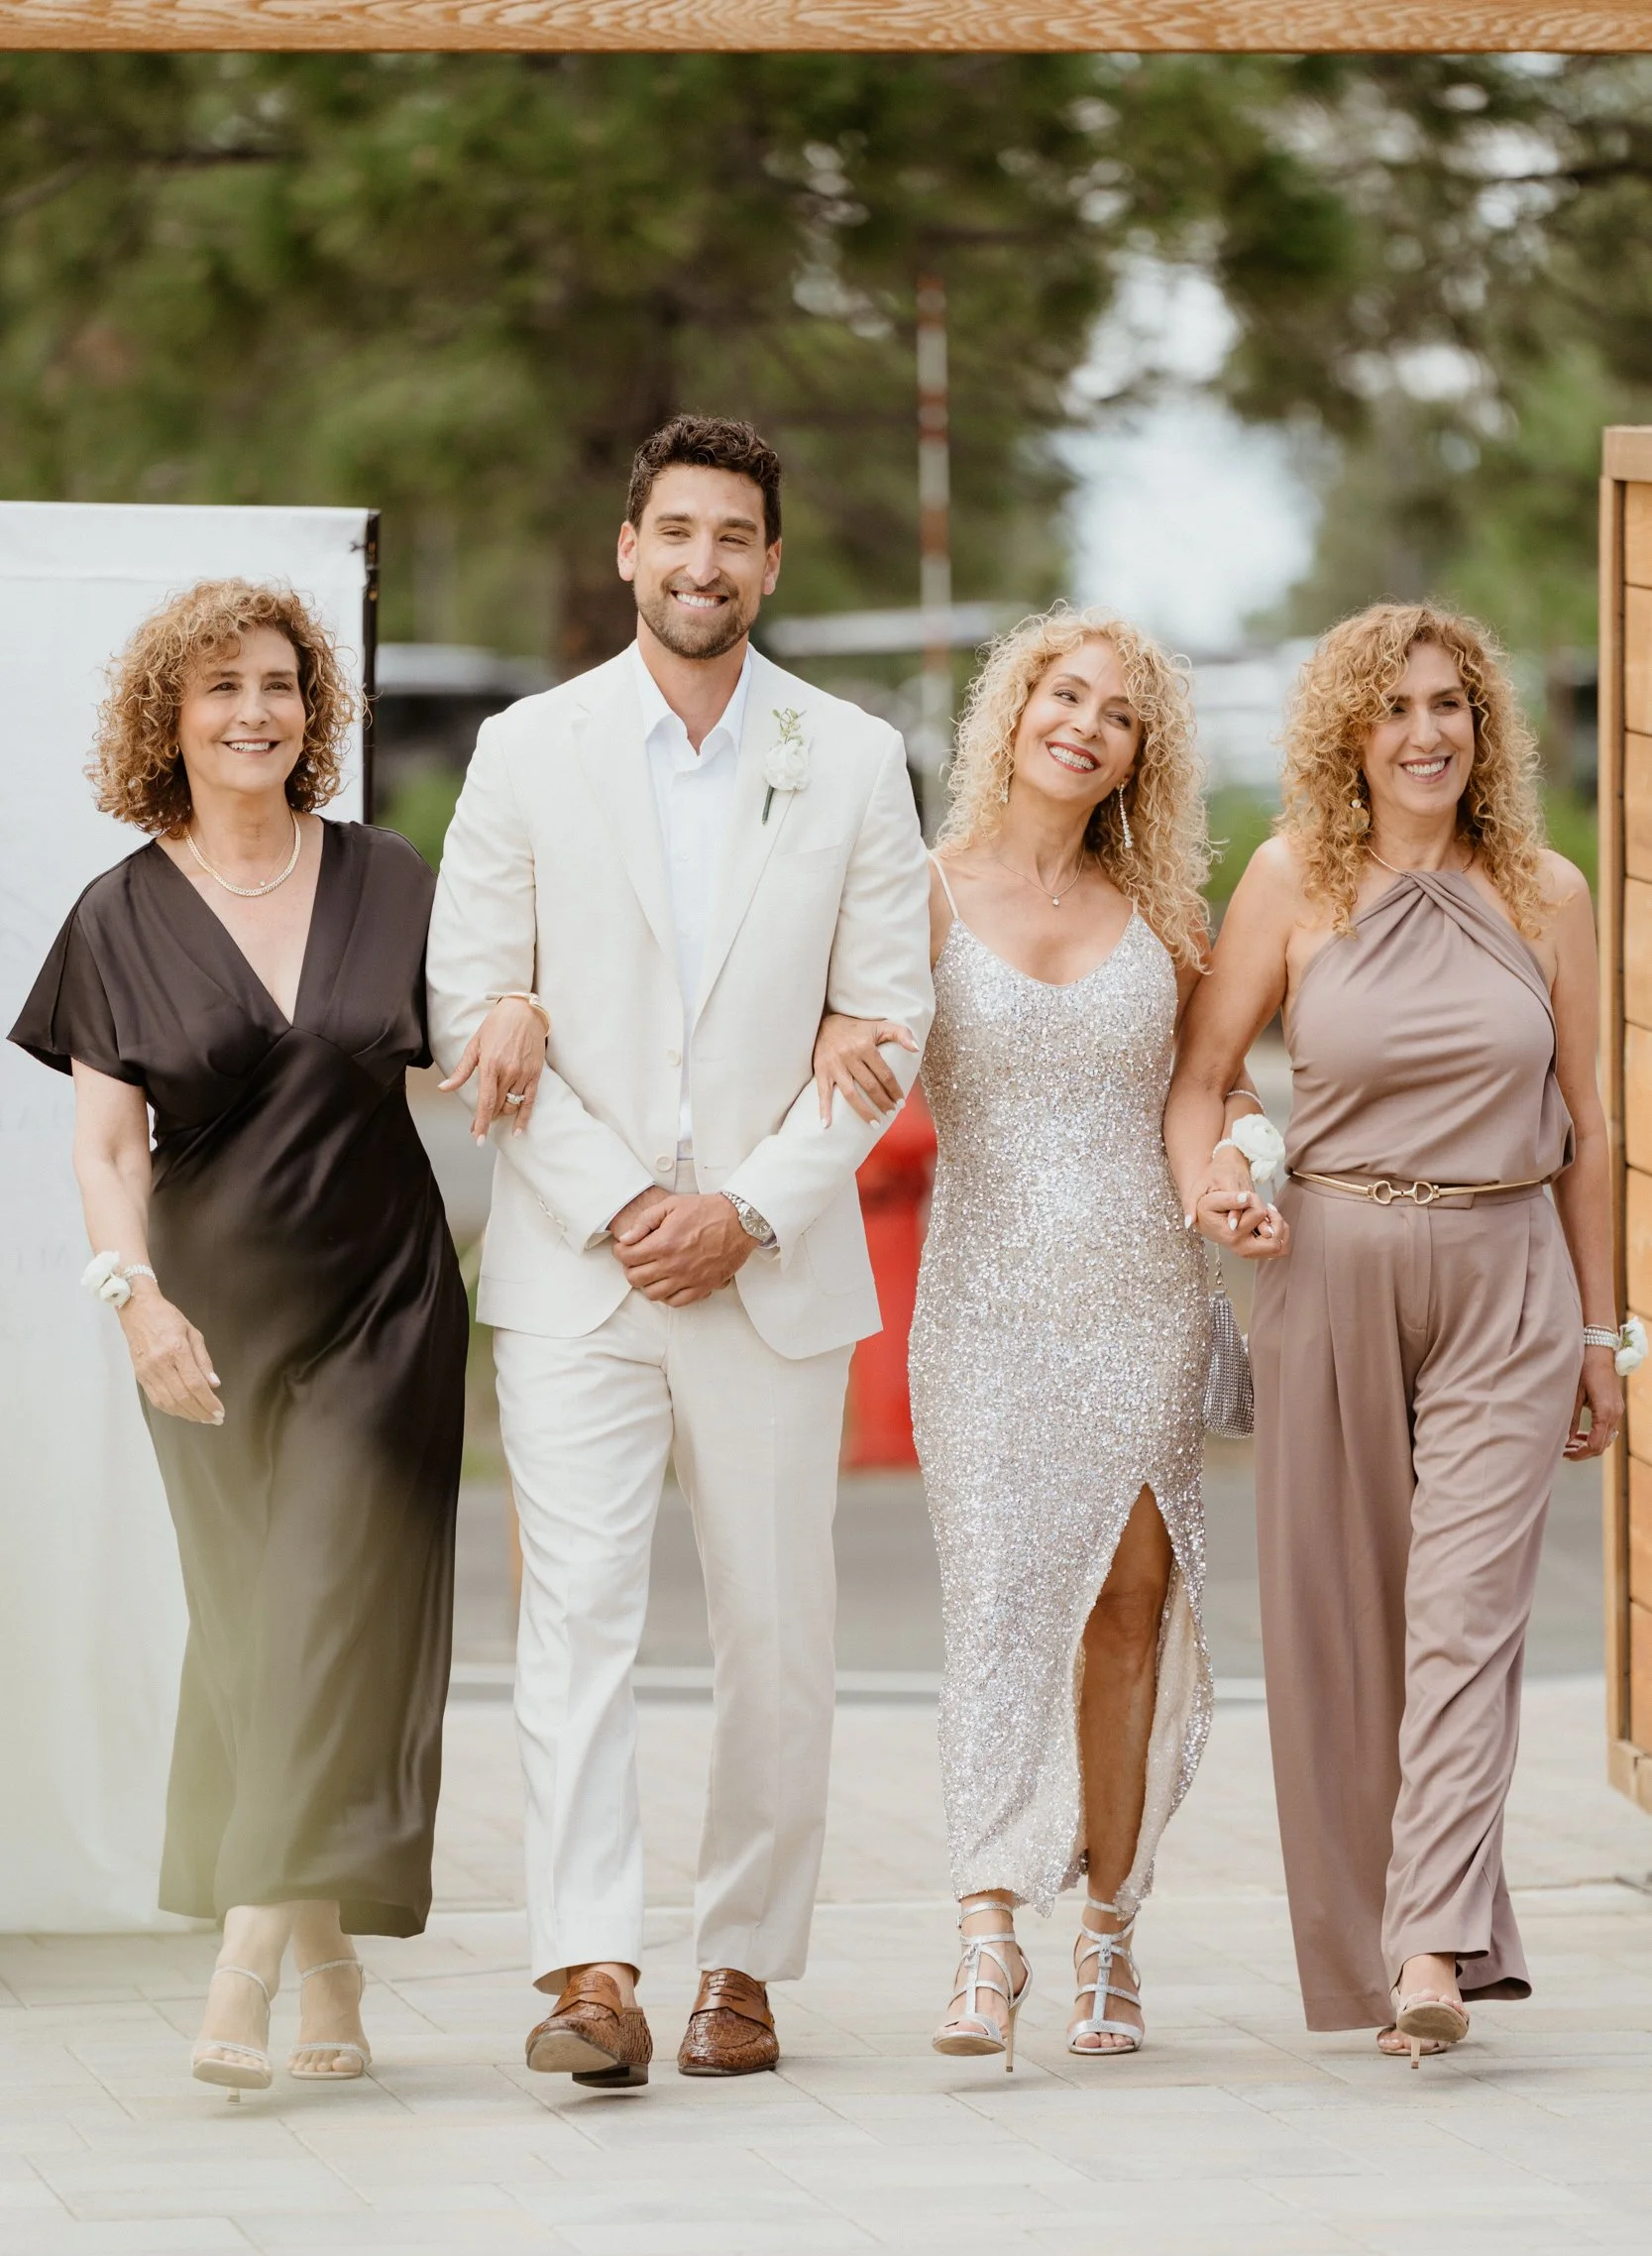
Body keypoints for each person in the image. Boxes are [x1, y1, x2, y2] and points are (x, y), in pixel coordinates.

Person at [426, 413, 934, 2087]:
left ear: (770, 564)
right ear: (627, 550)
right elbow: (471, 997)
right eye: (677, 532)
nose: (705, 561)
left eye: (736, 536)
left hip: (772, 1262)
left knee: (776, 1626)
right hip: (583, 1268)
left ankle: (742, 1965)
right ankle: (586, 1967)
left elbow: (889, 1022)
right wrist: (628, 1209)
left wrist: (751, 1208)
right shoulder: (527, 749)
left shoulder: (851, 756)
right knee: (575, 1613)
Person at [9, 580, 468, 2092]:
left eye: (278, 685)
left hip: (384, 1307)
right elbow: (103, 1150)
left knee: (331, 1598)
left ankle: (246, 1959)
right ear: (172, 719)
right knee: (258, 1625)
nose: (254, 711)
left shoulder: (393, 879)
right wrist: (131, 1300)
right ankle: (331, 1959)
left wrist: (516, 1010)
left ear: (310, 711)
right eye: (219, 690)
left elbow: (477, 1037)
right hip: (201, 1329)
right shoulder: (118, 912)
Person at [817, 607, 1277, 2062]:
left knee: (1128, 1612)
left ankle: (1110, 1932)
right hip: (983, 1303)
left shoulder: (1169, 917)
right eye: (1061, 693)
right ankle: (983, 1932)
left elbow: (1223, 1092)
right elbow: (844, 1036)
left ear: (1141, 753)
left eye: (1118, 711)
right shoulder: (921, 892)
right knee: (1000, 1605)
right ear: (1012, 713)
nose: (1083, 722)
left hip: (1141, 1292)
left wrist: (1235, 1173)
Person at [1165, 603, 1620, 2065]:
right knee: (1341, 1624)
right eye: (1394, 708)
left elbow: (1592, 1134)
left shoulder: (1546, 891)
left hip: (1507, 1272)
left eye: (1449, 705)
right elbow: (1202, 1076)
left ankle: (1428, 1942)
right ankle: (1383, 1934)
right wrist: (1216, 1172)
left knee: (1467, 1618)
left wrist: (1606, 1336)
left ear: (1480, 727)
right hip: (1334, 1261)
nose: (1425, 733)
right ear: (1345, 735)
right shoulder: (1294, 881)